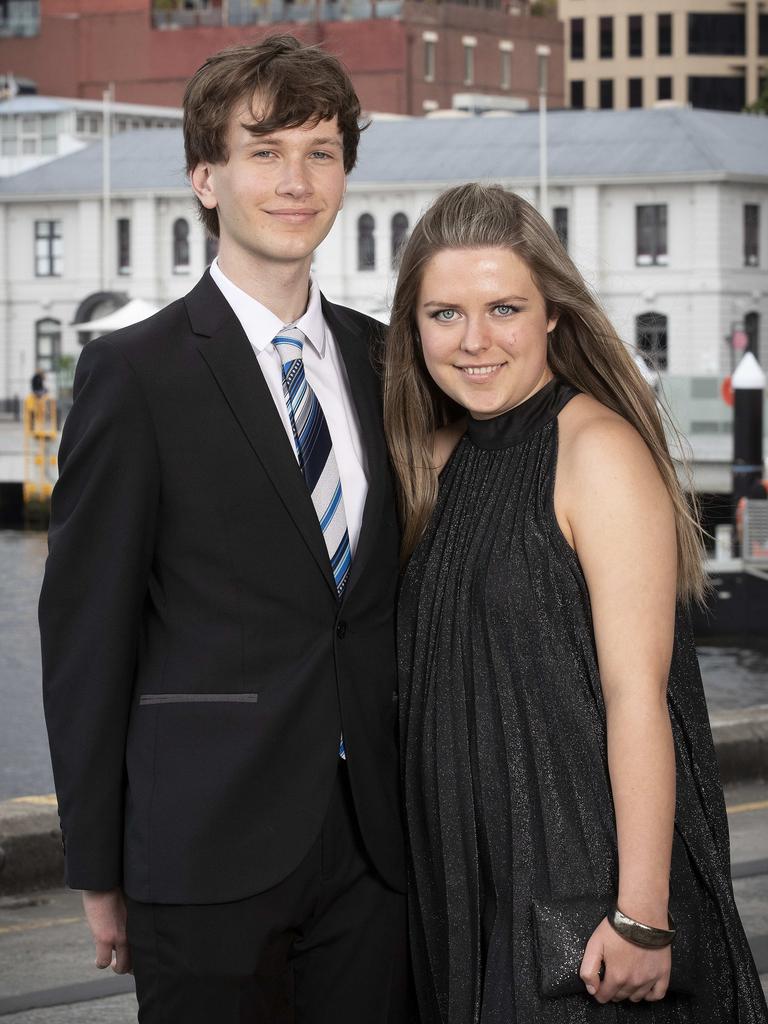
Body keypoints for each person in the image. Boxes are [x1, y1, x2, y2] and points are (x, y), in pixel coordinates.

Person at [40, 35, 409, 1024]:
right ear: (207, 178)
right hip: (202, 845)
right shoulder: (136, 372)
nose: (297, 179)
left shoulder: (390, 365)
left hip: (379, 844)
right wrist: (98, 862)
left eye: (321, 152)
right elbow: (86, 638)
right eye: (266, 150)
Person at [384, 183, 768, 1023]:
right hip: (459, 878)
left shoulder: (597, 450)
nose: (475, 340)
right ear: (414, 327)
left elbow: (640, 699)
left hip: (577, 871)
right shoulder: (431, 459)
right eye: (445, 313)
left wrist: (641, 912)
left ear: (553, 314)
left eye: (504, 308)